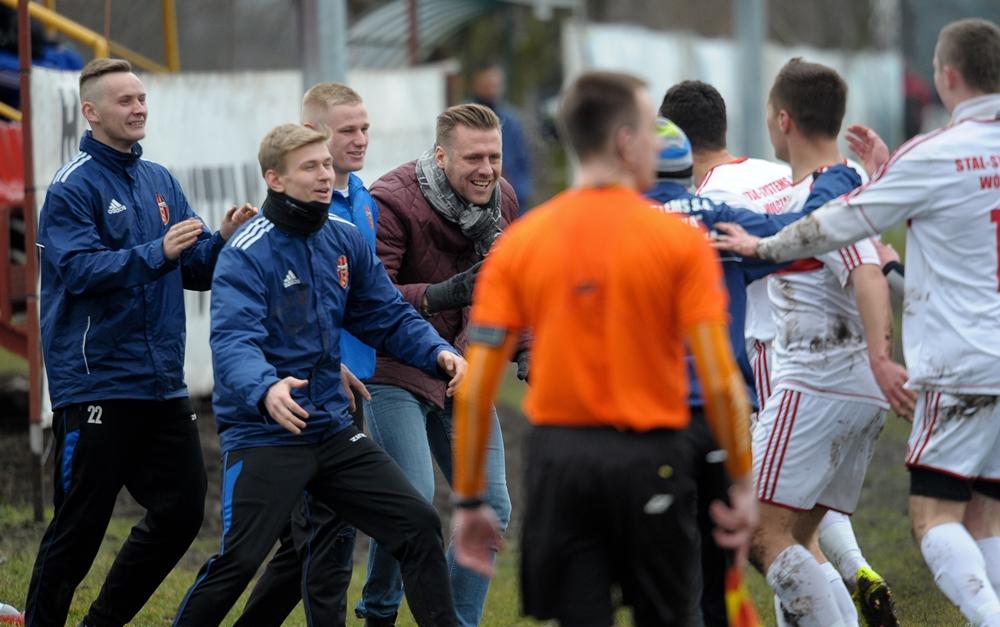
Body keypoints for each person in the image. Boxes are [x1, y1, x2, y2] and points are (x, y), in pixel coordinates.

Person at [714, 18, 1000, 627]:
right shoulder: (851, 182)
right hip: (862, 388)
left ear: (782, 120)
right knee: (810, 533)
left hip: (823, 381)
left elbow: (862, 265)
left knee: (758, 531)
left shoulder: (831, 192)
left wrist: (878, 353)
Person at [450, 70, 757, 627]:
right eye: (648, 129)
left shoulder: (521, 244)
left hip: (559, 465)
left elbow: (474, 391)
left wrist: (469, 500)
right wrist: (739, 482)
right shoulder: (679, 243)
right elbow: (720, 382)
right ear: (624, 142)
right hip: (650, 459)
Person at [172, 123, 466, 626]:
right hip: (266, 432)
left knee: (418, 524)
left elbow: (385, 314)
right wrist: (266, 388)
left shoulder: (343, 238)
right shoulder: (246, 250)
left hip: (331, 428)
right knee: (240, 560)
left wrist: (438, 351)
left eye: (327, 164)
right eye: (310, 167)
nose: (325, 174)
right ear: (275, 179)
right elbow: (233, 340)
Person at [25, 57, 256, 627]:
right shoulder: (71, 186)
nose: (138, 108)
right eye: (125, 100)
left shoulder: (159, 181)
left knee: (180, 513)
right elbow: (77, 271)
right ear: (91, 112)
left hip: (160, 383)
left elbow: (195, 267)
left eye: (142, 98)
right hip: (97, 380)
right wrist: (160, 253)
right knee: (79, 528)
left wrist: (221, 240)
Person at [662, 79, 900, 627]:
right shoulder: (787, 178)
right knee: (794, 522)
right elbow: (843, 231)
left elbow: (852, 259)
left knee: (761, 527)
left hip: (788, 360)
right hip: (847, 370)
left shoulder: (711, 200)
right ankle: (855, 574)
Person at [355, 103, 518, 627]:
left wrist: (530, 351)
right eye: (474, 158)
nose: (487, 170)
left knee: (492, 507)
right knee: (413, 502)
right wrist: (444, 294)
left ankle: (454, 622)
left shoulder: (503, 199)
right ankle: (379, 610)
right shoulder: (390, 200)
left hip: (466, 369)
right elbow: (370, 299)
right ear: (441, 155)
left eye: (494, 157)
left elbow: (515, 284)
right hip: (396, 364)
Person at [237, 81, 378, 627]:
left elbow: (368, 299)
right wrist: (328, 364)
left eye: (365, 127)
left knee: (315, 544)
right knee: (306, 543)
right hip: (303, 396)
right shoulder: (299, 209)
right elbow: (271, 316)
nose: (360, 139)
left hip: (352, 390)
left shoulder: (363, 198)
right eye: (348, 130)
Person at [470, 61, 534, 210]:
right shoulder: (463, 119)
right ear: (476, 84)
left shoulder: (512, 121)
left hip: (509, 203)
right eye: (487, 83)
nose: (492, 87)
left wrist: (514, 192)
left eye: (495, 83)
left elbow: (524, 162)